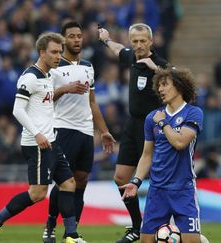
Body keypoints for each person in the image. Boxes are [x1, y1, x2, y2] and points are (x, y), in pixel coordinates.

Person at [0, 32, 85, 243]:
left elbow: (43, 107)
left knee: (68, 183)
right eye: (54, 52)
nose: (58, 56)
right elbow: (17, 110)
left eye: (60, 52)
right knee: (38, 193)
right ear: (42, 53)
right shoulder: (30, 77)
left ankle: (72, 236)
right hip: (37, 143)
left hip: (51, 141)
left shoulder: (48, 76)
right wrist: (38, 134)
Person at [42, 21, 116, 243]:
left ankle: (71, 233)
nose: (76, 40)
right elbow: (44, 100)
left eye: (79, 36)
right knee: (66, 181)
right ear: (64, 40)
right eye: (72, 36)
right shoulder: (54, 66)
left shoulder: (87, 66)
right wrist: (65, 89)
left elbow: (92, 102)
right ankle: (50, 225)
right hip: (63, 128)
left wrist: (104, 131)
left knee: (82, 180)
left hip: (85, 131)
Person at [98, 23, 168, 243]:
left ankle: (162, 226)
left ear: (151, 41)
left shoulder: (160, 63)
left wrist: (155, 68)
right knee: (120, 177)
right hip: (132, 125)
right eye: (134, 41)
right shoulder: (131, 57)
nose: (138, 45)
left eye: (142, 41)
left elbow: (179, 79)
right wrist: (106, 39)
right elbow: (119, 50)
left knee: (159, 180)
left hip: (154, 128)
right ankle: (137, 226)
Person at [120, 67, 203, 243]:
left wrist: (164, 122)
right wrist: (136, 181)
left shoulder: (193, 113)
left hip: (184, 189)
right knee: (146, 240)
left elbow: (180, 143)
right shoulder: (152, 118)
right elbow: (147, 155)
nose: (160, 89)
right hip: (157, 190)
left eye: (165, 85)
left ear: (179, 87)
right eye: (158, 86)